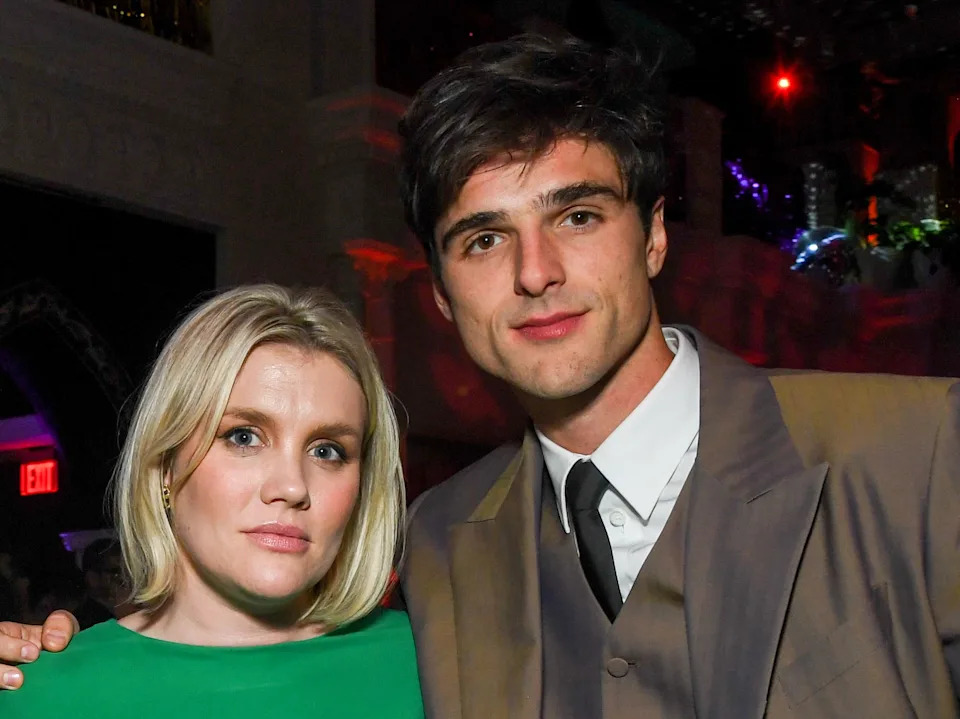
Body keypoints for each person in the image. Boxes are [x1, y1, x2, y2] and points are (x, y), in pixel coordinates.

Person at [2, 33, 959, 718]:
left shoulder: (916, 455)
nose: (536, 271)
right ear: (442, 293)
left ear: (656, 234)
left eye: (577, 215)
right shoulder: (448, 539)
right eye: (485, 238)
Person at [0, 284, 423, 717]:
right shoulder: (41, 693)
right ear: (165, 467)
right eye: (244, 437)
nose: (293, 486)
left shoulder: (433, 664)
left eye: (327, 451)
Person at [71, 538, 127, 629]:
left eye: (127, 571)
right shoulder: (86, 622)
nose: (123, 577)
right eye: (115, 571)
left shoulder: (124, 611)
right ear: (92, 577)